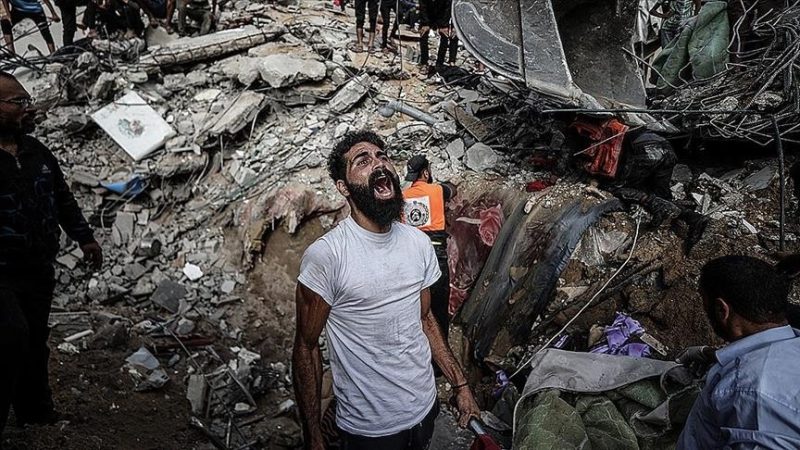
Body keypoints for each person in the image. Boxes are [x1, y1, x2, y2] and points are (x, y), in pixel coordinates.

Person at [293, 131, 479, 450]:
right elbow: (306, 347)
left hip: (425, 409)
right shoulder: (328, 256)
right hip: (370, 430)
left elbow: (426, 320)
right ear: (343, 187)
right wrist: (313, 434)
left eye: (382, 156)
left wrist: (460, 384)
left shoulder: (418, 243)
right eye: (362, 161)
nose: (379, 163)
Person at [0, 72, 103, 440]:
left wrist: (85, 238)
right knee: (10, 335)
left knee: (33, 340)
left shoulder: (36, 152)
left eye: (27, 100)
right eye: (18, 102)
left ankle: (35, 414)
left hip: (37, 268)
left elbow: (62, 198)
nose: (28, 109)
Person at [676, 255, 800, 449]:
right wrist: (715, 357)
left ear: (721, 310)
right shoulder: (791, 344)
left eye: (704, 303)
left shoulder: (747, 392)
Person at [402, 155, 457, 352]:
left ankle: (419, 352)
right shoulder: (437, 190)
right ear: (426, 172)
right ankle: (440, 357)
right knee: (439, 308)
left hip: (411, 257)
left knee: (417, 308)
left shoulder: (402, 196)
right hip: (436, 253)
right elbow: (452, 189)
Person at [418, 0, 457, 75]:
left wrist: (443, 25)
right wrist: (425, 23)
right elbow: (422, 7)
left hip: (442, 13)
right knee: (423, 34)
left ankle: (439, 64)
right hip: (428, 13)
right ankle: (424, 62)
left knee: (444, 36)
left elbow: (448, 7)